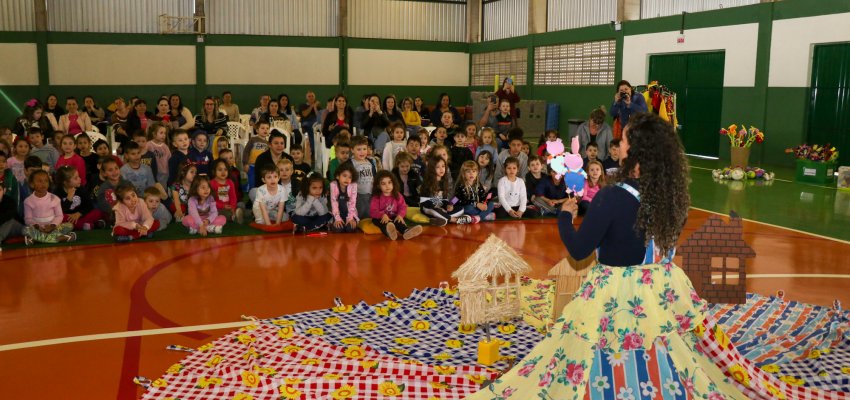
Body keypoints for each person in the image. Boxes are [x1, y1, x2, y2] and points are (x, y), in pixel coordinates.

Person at [475, 113, 792, 400]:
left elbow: (579, 250)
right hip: (664, 288)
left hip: (617, 292)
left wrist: (564, 218)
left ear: (637, 152)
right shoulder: (672, 195)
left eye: (624, 140)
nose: (619, 145)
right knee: (666, 348)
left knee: (600, 349)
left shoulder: (612, 197)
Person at [22, 170, 76, 245]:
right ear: (31, 184)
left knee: (69, 225)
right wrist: (37, 227)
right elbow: (28, 219)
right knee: (25, 230)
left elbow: (59, 216)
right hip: (38, 229)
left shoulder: (54, 198)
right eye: (40, 181)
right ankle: (62, 238)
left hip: (53, 228)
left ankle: (38, 239)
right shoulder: (28, 201)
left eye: (46, 181)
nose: (43, 183)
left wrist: (52, 226)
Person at [370, 170, 422, 240]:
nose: (387, 186)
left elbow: (403, 206)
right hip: (380, 218)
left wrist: (400, 215)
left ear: (393, 183)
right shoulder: (376, 197)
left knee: (399, 221)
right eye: (383, 183)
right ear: (378, 186)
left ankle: (406, 231)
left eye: (389, 182)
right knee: (384, 224)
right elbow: (373, 211)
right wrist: (381, 215)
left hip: (394, 216)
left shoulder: (397, 195)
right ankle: (390, 233)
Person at [419, 156, 470, 226]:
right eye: (438, 167)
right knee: (434, 211)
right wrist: (439, 207)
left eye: (443, 166)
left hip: (441, 208)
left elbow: (445, 199)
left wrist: (448, 205)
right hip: (429, 207)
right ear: (431, 169)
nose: (441, 169)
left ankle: (442, 220)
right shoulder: (427, 183)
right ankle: (453, 220)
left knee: (461, 209)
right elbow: (425, 203)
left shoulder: (444, 181)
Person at [342, 136, 377, 219]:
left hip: (370, 193)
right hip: (358, 195)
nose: (362, 152)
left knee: (369, 214)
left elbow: (374, 176)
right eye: (359, 149)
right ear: (352, 150)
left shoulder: (370, 162)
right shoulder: (350, 163)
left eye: (364, 149)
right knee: (359, 214)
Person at [329, 162, 359, 233]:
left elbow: (352, 202)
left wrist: (351, 218)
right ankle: (331, 224)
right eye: (344, 176)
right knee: (338, 229)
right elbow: (334, 202)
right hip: (338, 213)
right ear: (337, 176)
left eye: (350, 177)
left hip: (350, 213)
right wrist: (337, 218)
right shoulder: (333, 185)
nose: (347, 179)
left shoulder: (353, 186)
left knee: (350, 229)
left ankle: (352, 222)